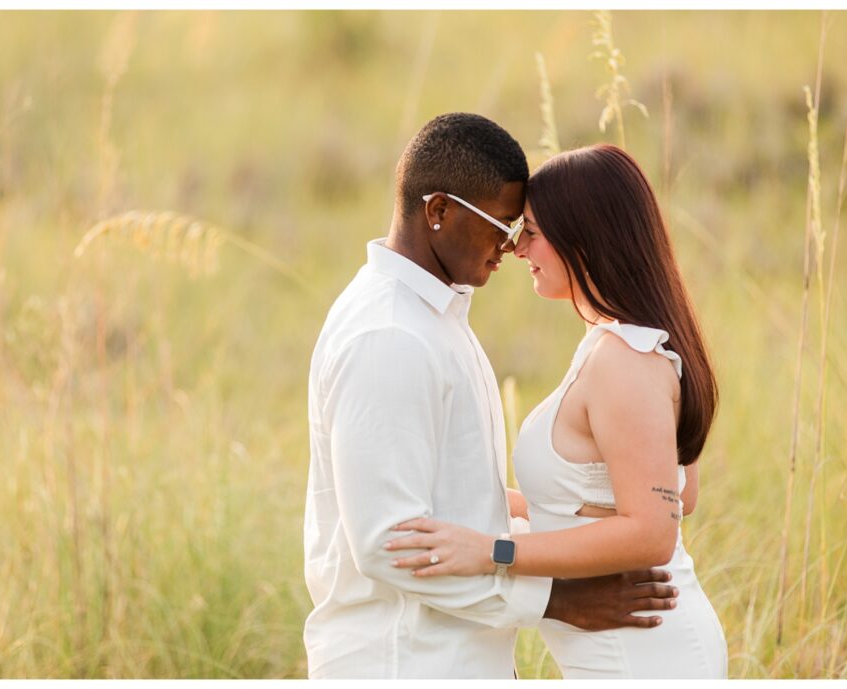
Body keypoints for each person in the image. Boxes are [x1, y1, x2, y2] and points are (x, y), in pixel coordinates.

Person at [304, 116, 679, 679]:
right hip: (404, 663)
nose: (512, 247)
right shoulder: (389, 337)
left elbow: (457, 498)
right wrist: (558, 601)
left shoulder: (436, 317)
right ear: (438, 211)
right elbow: (389, 545)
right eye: (502, 226)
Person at [386, 144, 728, 678]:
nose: (518, 249)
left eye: (533, 232)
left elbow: (654, 531)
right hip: (635, 650)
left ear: (584, 240)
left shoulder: (626, 361)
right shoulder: (615, 343)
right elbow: (664, 494)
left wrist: (491, 551)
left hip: (641, 657)